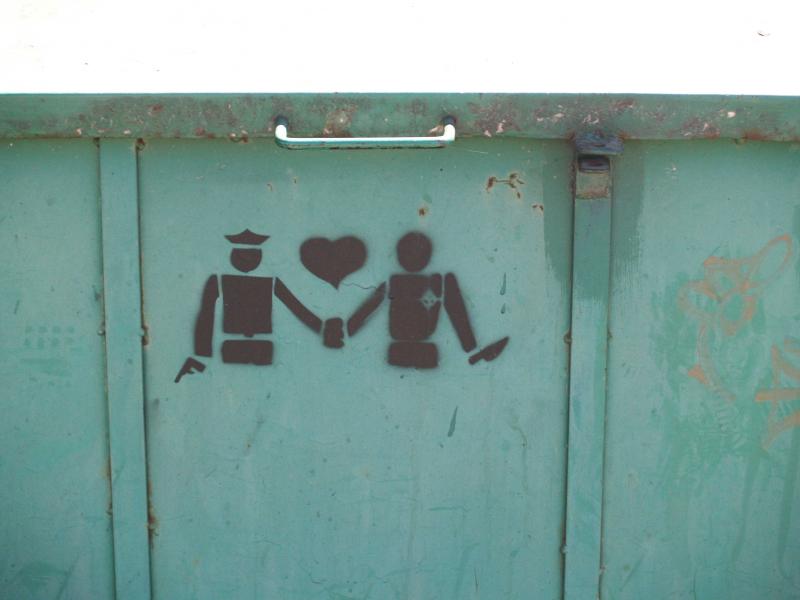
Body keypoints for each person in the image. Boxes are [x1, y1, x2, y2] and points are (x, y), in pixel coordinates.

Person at [175, 229, 342, 382]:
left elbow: (296, 308)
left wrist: (323, 329)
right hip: (238, 349)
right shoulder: (220, 281)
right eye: (244, 254)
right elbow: (206, 317)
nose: (248, 259)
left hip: (259, 350)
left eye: (252, 254)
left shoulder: (268, 282)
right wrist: (201, 356)